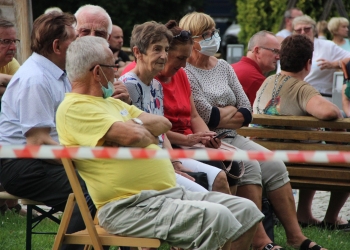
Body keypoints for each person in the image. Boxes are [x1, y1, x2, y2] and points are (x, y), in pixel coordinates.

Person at [57, 35, 263, 250]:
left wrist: (133, 127)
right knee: (218, 216)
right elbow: (137, 136)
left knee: (246, 211)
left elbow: (162, 124)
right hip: (128, 207)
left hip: (166, 196)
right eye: (113, 66)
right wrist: (139, 131)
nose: (117, 71)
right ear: (98, 72)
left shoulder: (111, 102)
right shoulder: (76, 107)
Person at [180, 11, 327, 250]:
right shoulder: (186, 71)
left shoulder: (224, 66)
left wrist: (224, 114)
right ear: (192, 40)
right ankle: (261, 242)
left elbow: (247, 111)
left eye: (213, 32)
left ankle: (295, 236)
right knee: (251, 165)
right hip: (210, 140)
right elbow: (207, 117)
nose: (213, 37)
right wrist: (229, 112)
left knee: (275, 164)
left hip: (233, 135)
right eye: (205, 34)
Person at [0, 12, 97, 250]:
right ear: (56, 45)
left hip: (42, 161)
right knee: (90, 192)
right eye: (74, 39)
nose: (79, 45)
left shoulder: (58, 72)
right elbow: (39, 144)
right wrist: (83, 158)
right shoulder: (36, 79)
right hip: (20, 165)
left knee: (107, 183)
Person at [120, 21, 231, 193]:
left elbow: (161, 135)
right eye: (157, 49)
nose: (163, 55)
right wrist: (170, 164)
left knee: (220, 177)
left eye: (165, 49)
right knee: (205, 194)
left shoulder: (155, 86)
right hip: (145, 164)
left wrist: (175, 162)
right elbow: (140, 138)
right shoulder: (129, 85)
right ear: (137, 52)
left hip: (164, 157)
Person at [254, 34, 350, 231]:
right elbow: (330, 112)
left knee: (310, 146)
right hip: (295, 162)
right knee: (341, 157)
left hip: (263, 157)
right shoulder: (302, 89)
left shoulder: (268, 81)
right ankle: (331, 218)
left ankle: (304, 214)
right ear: (308, 63)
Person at [75, 4, 132, 104]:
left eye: (99, 34)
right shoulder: (60, 72)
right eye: (85, 31)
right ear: (74, 34)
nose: (92, 38)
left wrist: (126, 103)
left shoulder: (109, 73)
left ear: (108, 39)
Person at [293, 15, 350, 100]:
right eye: (298, 30)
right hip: (296, 96)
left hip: (322, 96)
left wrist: (334, 64)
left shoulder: (327, 46)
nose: (303, 32)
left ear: (314, 30)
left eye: (307, 29)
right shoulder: (290, 48)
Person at [0, 18, 23, 216]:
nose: (12, 47)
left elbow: (22, 84)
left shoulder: (11, 63)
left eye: (14, 41)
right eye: (5, 41)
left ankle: (10, 205)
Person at [232, 31, 280, 106]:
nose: (278, 57)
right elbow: (268, 115)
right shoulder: (256, 80)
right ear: (257, 51)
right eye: (275, 51)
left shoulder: (231, 68)